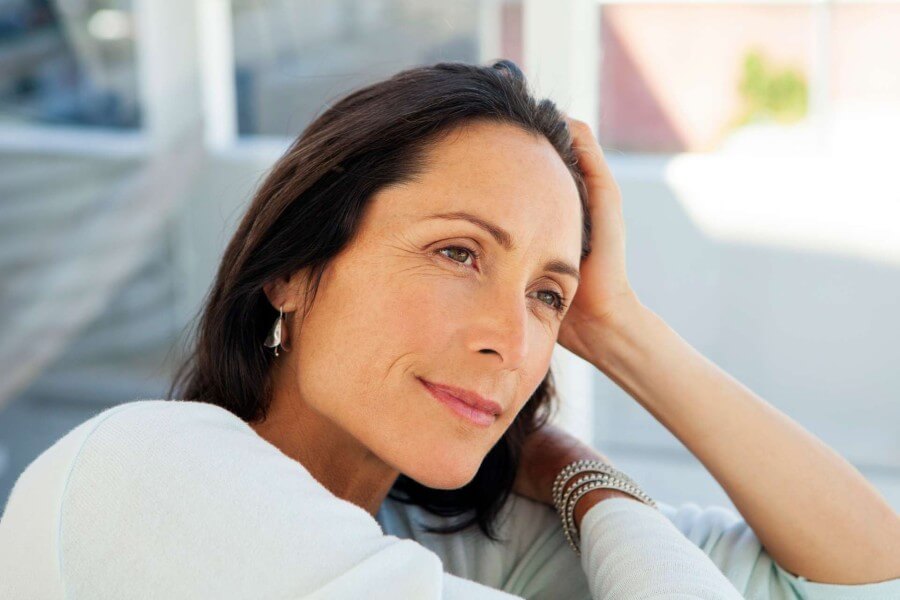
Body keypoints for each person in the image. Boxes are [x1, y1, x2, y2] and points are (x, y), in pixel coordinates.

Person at [1, 60, 898, 599]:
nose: (510, 338)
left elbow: (866, 577)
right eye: (459, 253)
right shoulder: (146, 474)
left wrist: (619, 328)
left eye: (547, 295)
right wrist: (586, 480)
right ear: (292, 267)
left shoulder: (438, 538)